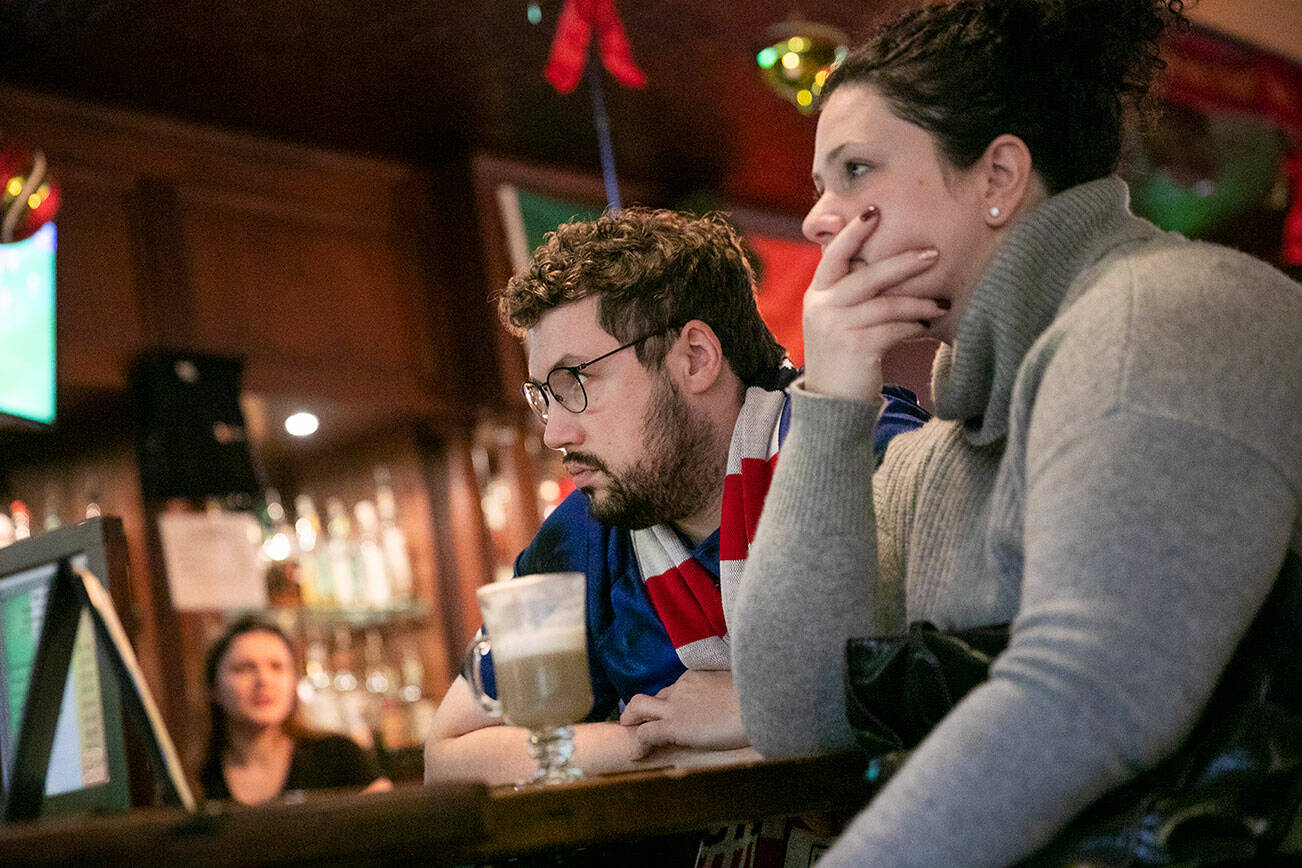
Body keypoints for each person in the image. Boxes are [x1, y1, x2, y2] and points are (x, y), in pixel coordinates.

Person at [731, 0, 1302, 865]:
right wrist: (831, 402)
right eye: (821, 186)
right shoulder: (933, 455)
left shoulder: (1167, 316)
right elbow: (797, 721)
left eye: (854, 171)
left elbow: (1093, 694)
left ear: (999, 178)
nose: (818, 218)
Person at [425, 208, 929, 786]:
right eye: (546, 396)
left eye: (577, 384)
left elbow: (985, 678)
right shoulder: (584, 532)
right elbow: (447, 755)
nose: (554, 433)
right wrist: (658, 739)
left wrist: (756, 709)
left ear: (695, 357)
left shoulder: (865, 454)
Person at [200, 617, 392, 804]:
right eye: (244, 668)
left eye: (277, 667)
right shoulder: (196, 779)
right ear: (213, 686)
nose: (264, 680)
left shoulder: (340, 756)